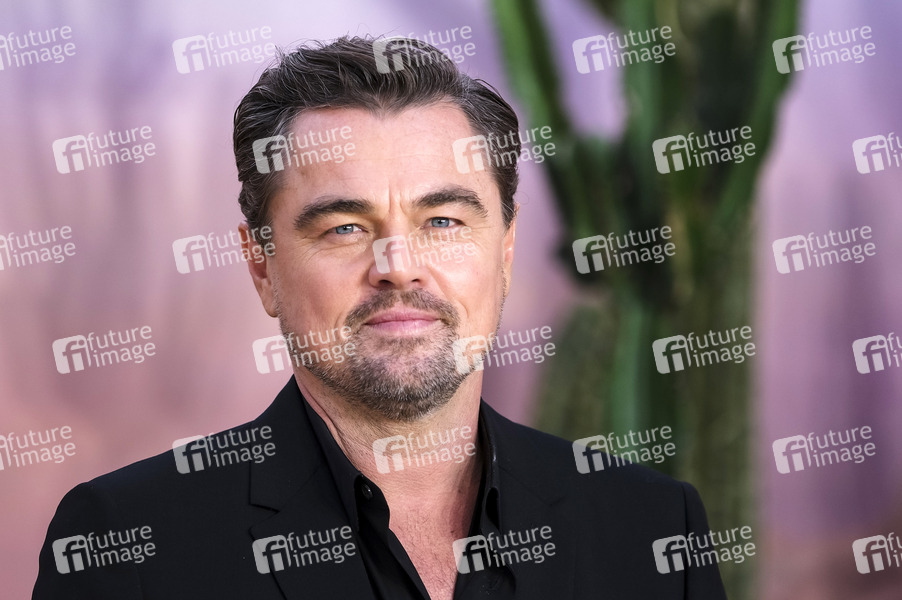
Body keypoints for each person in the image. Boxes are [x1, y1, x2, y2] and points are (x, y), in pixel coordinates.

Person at [34, 36, 726, 599]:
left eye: (443, 220)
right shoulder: (126, 546)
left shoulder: (652, 527)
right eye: (344, 228)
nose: (398, 266)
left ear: (506, 252)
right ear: (262, 267)